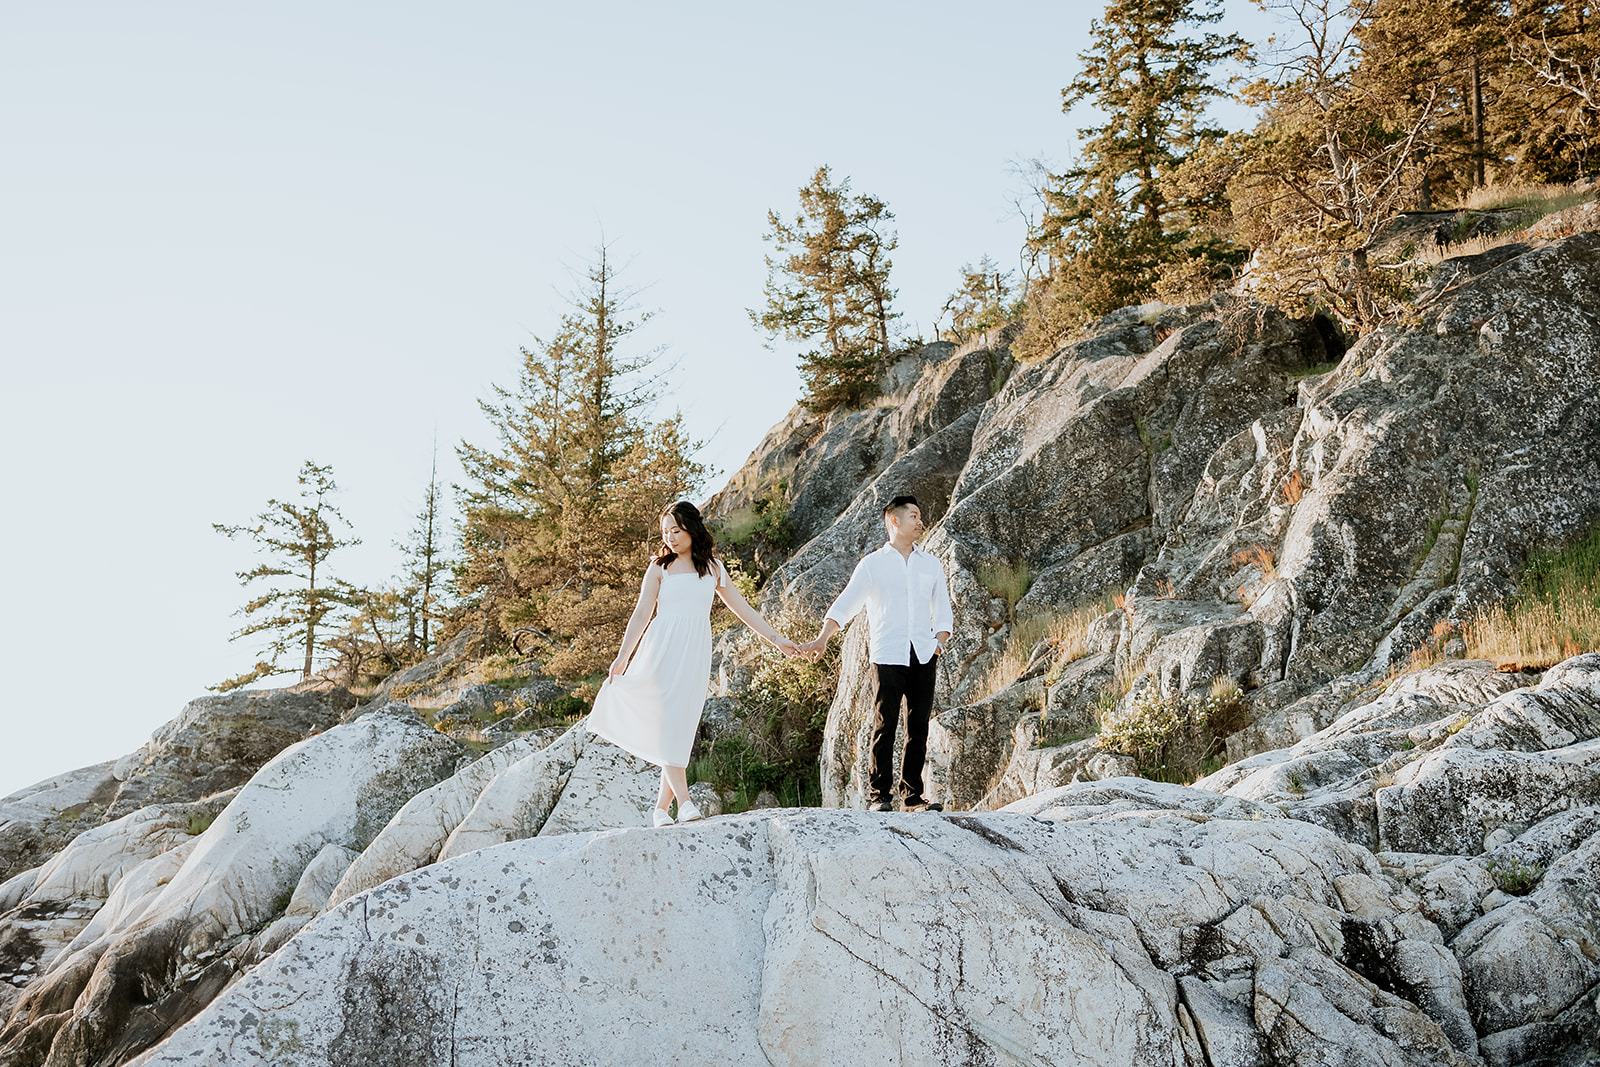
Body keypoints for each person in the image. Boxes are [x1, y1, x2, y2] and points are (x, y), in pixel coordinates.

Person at [587, 500, 800, 827]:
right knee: (667, 722)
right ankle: (685, 802)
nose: (670, 537)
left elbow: (744, 610)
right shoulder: (659, 567)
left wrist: (777, 639)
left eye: (676, 530)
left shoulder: (713, 568)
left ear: (691, 528)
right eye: (665, 532)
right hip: (660, 650)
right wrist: (623, 656)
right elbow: (641, 614)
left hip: (694, 653)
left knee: (680, 726)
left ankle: (661, 809)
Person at [799, 495, 953, 812]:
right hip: (888, 655)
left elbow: (942, 608)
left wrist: (939, 641)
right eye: (914, 516)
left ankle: (912, 797)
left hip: (924, 653)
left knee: (918, 728)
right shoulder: (872, 565)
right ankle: (879, 796)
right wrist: (823, 638)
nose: (920, 521)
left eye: (920, 516)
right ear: (894, 520)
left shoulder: (931, 564)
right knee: (885, 725)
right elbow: (846, 603)